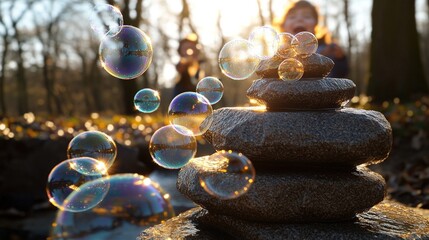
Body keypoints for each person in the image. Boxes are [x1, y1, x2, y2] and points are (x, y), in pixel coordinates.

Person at [277, 0, 349, 78]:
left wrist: (340, 58)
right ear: (283, 25)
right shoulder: (279, 54)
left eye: (307, 16)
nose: (299, 19)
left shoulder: (327, 50)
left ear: (316, 24)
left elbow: (340, 74)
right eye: (292, 17)